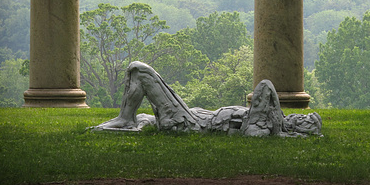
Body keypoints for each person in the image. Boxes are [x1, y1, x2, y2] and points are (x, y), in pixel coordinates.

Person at [91, 61, 322, 137]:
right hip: (193, 116)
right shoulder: (267, 121)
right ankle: (131, 122)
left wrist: (279, 126)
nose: (298, 116)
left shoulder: (262, 125)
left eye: (303, 121)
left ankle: (124, 120)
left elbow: (264, 87)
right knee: (144, 117)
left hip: (189, 124)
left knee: (138, 70)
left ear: (299, 129)